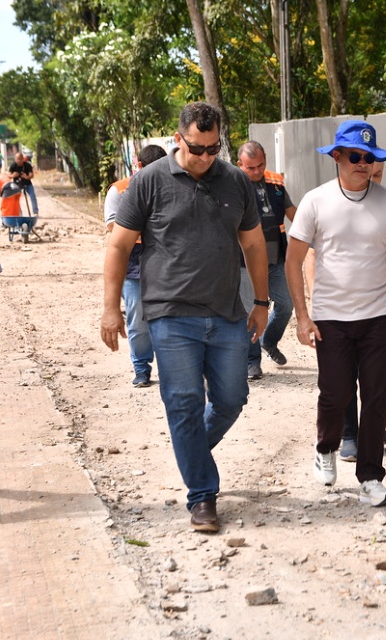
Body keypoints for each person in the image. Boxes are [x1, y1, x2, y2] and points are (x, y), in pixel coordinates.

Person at [100, 102, 269, 533]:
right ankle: (202, 495)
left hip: (227, 313)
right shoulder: (148, 182)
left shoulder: (234, 181)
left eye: (214, 149)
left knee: (231, 400)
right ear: (179, 139)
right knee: (184, 403)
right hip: (170, 315)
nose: (206, 157)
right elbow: (119, 246)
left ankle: (191, 451)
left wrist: (263, 302)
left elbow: (252, 245)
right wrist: (110, 307)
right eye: (197, 149)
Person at [286, 120, 386, 507]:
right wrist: (302, 315)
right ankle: (326, 447)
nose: (364, 164)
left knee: (376, 395)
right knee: (336, 392)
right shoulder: (315, 201)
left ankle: (370, 477)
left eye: (370, 157)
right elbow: (293, 261)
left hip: (379, 315)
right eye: (356, 156)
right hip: (330, 316)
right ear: (338, 157)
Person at [337, 162, 386, 461]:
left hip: (381, 301)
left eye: (378, 175)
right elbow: (311, 256)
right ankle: (350, 432)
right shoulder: (331, 204)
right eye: (369, 175)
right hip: (339, 303)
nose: (373, 181)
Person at [103, 144, 167, 388]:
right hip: (133, 268)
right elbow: (114, 228)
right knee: (138, 322)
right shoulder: (119, 191)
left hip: (166, 266)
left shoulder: (169, 186)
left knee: (170, 320)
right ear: (138, 167)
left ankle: (173, 368)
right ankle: (141, 368)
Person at [236, 140, 296, 380]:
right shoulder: (234, 185)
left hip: (277, 258)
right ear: (240, 165)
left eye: (261, 165)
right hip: (247, 262)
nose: (257, 171)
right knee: (252, 310)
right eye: (251, 168)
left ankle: (268, 340)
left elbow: (293, 214)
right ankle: (252, 362)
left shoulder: (276, 182)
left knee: (286, 305)